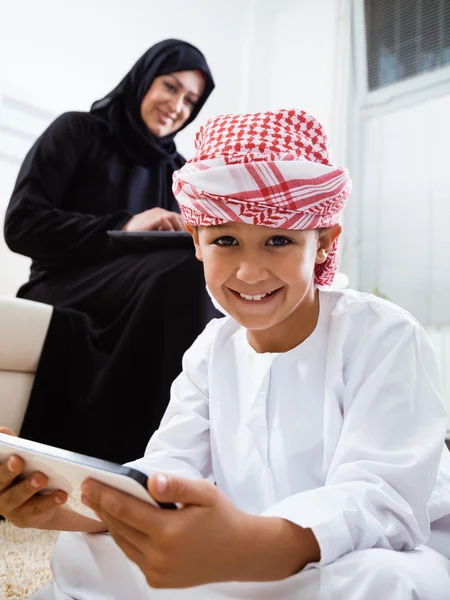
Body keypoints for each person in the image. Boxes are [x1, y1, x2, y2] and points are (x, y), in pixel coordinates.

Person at [1, 108, 450, 599]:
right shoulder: (209, 350)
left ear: (322, 243)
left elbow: (381, 501)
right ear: (195, 242)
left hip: (357, 553)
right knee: (79, 551)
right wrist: (62, 507)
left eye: (278, 240)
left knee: (392, 584)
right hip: (237, 545)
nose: (250, 271)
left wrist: (248, 548)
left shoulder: (385, 334)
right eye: (226, 241)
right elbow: (168, 472)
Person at [3, 39, 218, 463]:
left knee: (200, 272)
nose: (177, 106)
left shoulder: (179, 171)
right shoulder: (78, 131)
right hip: (62, 283)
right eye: (170, 87)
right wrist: (122, 226)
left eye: (191, 100)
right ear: (143, 80)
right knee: (183, 276)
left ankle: (180, 462)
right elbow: (21, 224)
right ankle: (137, 464)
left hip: (144, 292)